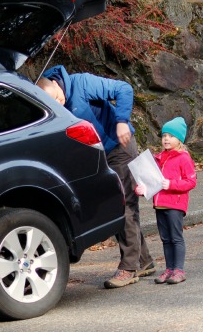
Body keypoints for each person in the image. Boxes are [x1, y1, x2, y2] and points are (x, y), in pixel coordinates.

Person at [37, 65, 155, 289]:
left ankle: (129, 268)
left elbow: (124, 89)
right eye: (52, 103)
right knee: (115, 206)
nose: (58, 103)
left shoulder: (82, 82)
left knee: (125, 206)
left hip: (119, 147)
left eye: (56, 97)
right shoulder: (53, 108)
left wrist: (121, 121)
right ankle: (144, 260)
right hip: (96, 155)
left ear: (55, 84)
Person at [134, 117, 197, 284]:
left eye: (171, 136)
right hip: (159, 205)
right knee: (165, 238)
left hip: (175, 204)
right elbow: (151, 181)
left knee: (176, 237)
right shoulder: (158, 158)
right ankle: (169, 269)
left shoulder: (183, 158)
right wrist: (142, 190)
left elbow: (191, 181)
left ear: (179, 139)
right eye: (164, 136)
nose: (166, 139)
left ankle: (179, 269)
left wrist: (170, 184)